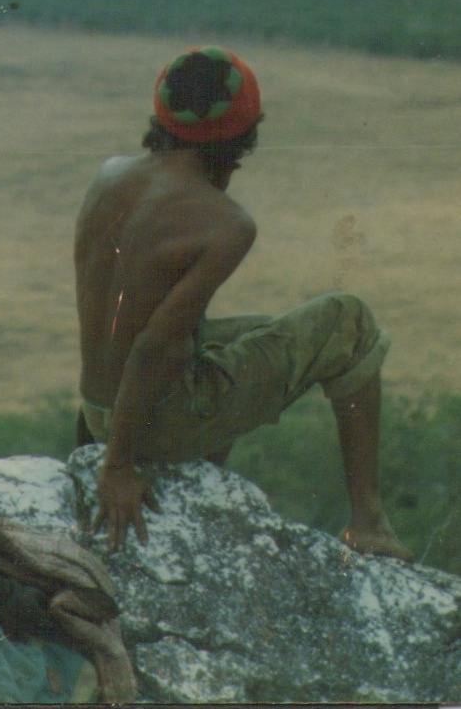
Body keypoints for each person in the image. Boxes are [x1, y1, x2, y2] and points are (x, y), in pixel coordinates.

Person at [74, 46, 410, 560]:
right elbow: (155, 348)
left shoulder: (110, 174)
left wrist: (96, 439)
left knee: (258, 332)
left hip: (99, 409)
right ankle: (368, 521)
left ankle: (201, 471)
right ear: (245, 133)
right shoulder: (226, 224)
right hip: (151, 426)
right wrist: (116, 467)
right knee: (348, 321)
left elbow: (123, 331)